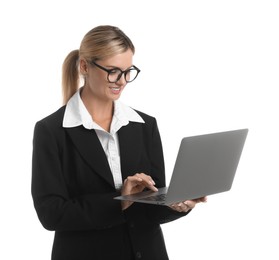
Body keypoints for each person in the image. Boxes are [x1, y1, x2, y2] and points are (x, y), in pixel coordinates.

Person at [31, 25, 206, 260]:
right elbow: (51, 214)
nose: (122, 81)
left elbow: (152, 208)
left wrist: (177, 204)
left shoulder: (145, 125)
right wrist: (119, 202)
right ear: (84, 66)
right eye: (113, 71)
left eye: (128, 71)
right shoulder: (51, 131)